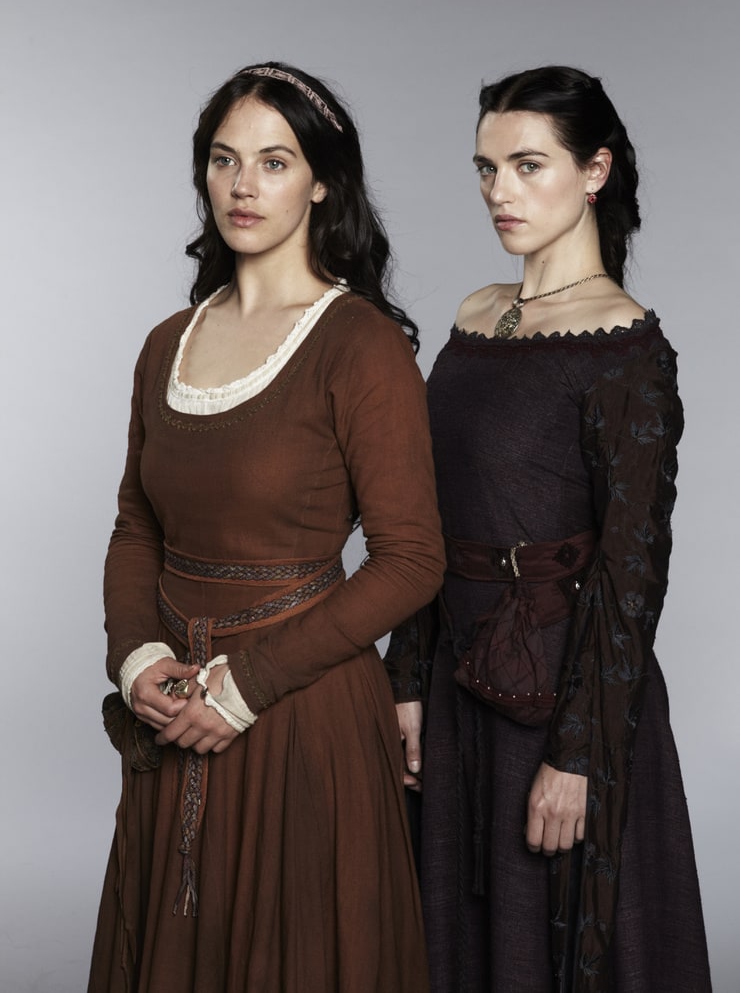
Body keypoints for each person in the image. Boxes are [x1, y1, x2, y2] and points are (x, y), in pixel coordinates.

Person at [89, 62, 445, 993]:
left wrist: (246, 687)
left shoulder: (361, 345)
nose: (243, 185)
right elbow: (136, 527)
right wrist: (137, 659)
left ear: (322, 181)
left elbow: (412, 561)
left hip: (300, 720)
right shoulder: (167, 343)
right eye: (225, 159)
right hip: (176, 709)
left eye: (275, 162)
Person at [385, 66, 712, 992]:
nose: (501, 191)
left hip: (566, 695)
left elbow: (631, 575)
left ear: (595, 170)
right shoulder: (474, 314)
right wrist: (405, 678)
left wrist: (579, 756)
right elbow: (427, 516)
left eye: (528, 165)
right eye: (487, 168)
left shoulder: (627, 346)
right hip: (456, 682)